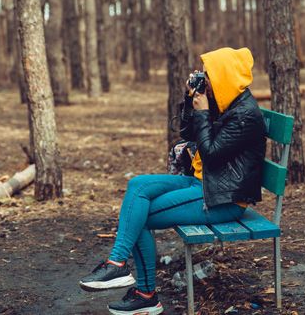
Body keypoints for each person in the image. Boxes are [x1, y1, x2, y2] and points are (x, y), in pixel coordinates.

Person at [79, 47, 266, 315]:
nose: (205, 80)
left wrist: (203, 113)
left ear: (225, 77)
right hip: (203, 184)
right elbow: (187, 133)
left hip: (225, 198)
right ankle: (120, 266)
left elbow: (211, 154)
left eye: (209, 75)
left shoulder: (246, 115)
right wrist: (191, 102)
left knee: (139, 216)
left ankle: (142, 290)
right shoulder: (224, 102)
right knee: (138, 186)